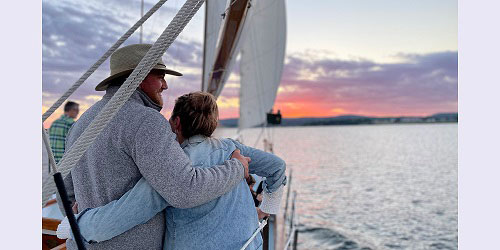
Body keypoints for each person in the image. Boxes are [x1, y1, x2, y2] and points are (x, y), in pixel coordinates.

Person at [59, 44, 250, 250]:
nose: (165, 85)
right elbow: (185, 190)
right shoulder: (146, 121)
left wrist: (88, 217)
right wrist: (237, 168)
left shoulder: (81, 124)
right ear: (140, 78)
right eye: (160, 76)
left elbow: (64, 199)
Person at [58, 92, 287, 250]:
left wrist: (75, 225)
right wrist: (266, 209)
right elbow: (277, 167)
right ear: (213, 124)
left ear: (176, 123)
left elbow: (126, 213)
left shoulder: (175, 167)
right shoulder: (231, 148)